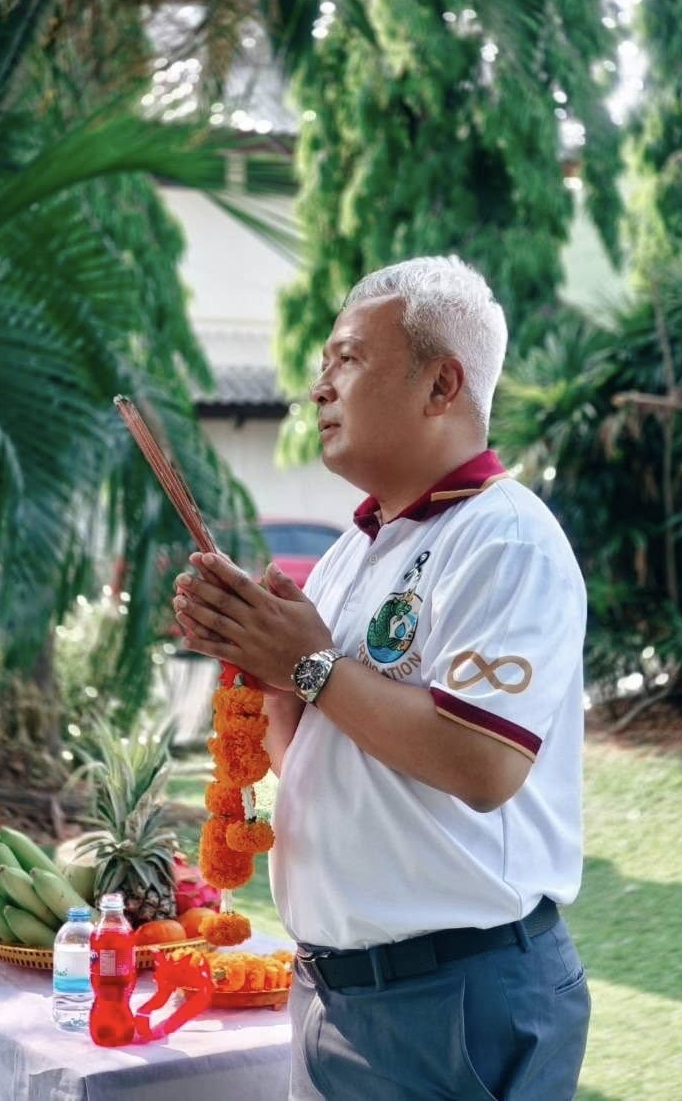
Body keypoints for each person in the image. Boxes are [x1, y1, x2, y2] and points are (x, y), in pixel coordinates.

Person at [173, 256, 590, 1099]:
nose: (319, 387)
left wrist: (309, 664)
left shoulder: (504, 539)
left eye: (348, 359)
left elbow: (483, 763)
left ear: (441, 385)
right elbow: (316, 760)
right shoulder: (353, 552)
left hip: (453, 996)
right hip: (338, 990)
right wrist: (265, 663)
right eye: (324, 363)